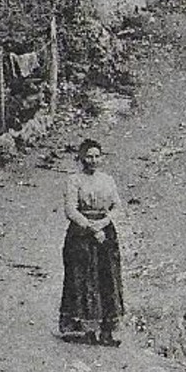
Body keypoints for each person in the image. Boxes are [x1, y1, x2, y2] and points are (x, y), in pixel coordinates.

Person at [59, 139, 125, 346]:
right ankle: (84, 329)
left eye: (97, 156)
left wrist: (103, 223)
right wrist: (90, 227)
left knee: (107, 278)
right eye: (89, 156)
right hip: (81, 235)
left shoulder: (108, 180)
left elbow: (117, 206)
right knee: (83, 279)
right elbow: (70, 209)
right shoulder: (74, 180)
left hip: (106, 234)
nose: (93, 160)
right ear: (81, 158)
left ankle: (107, 331)